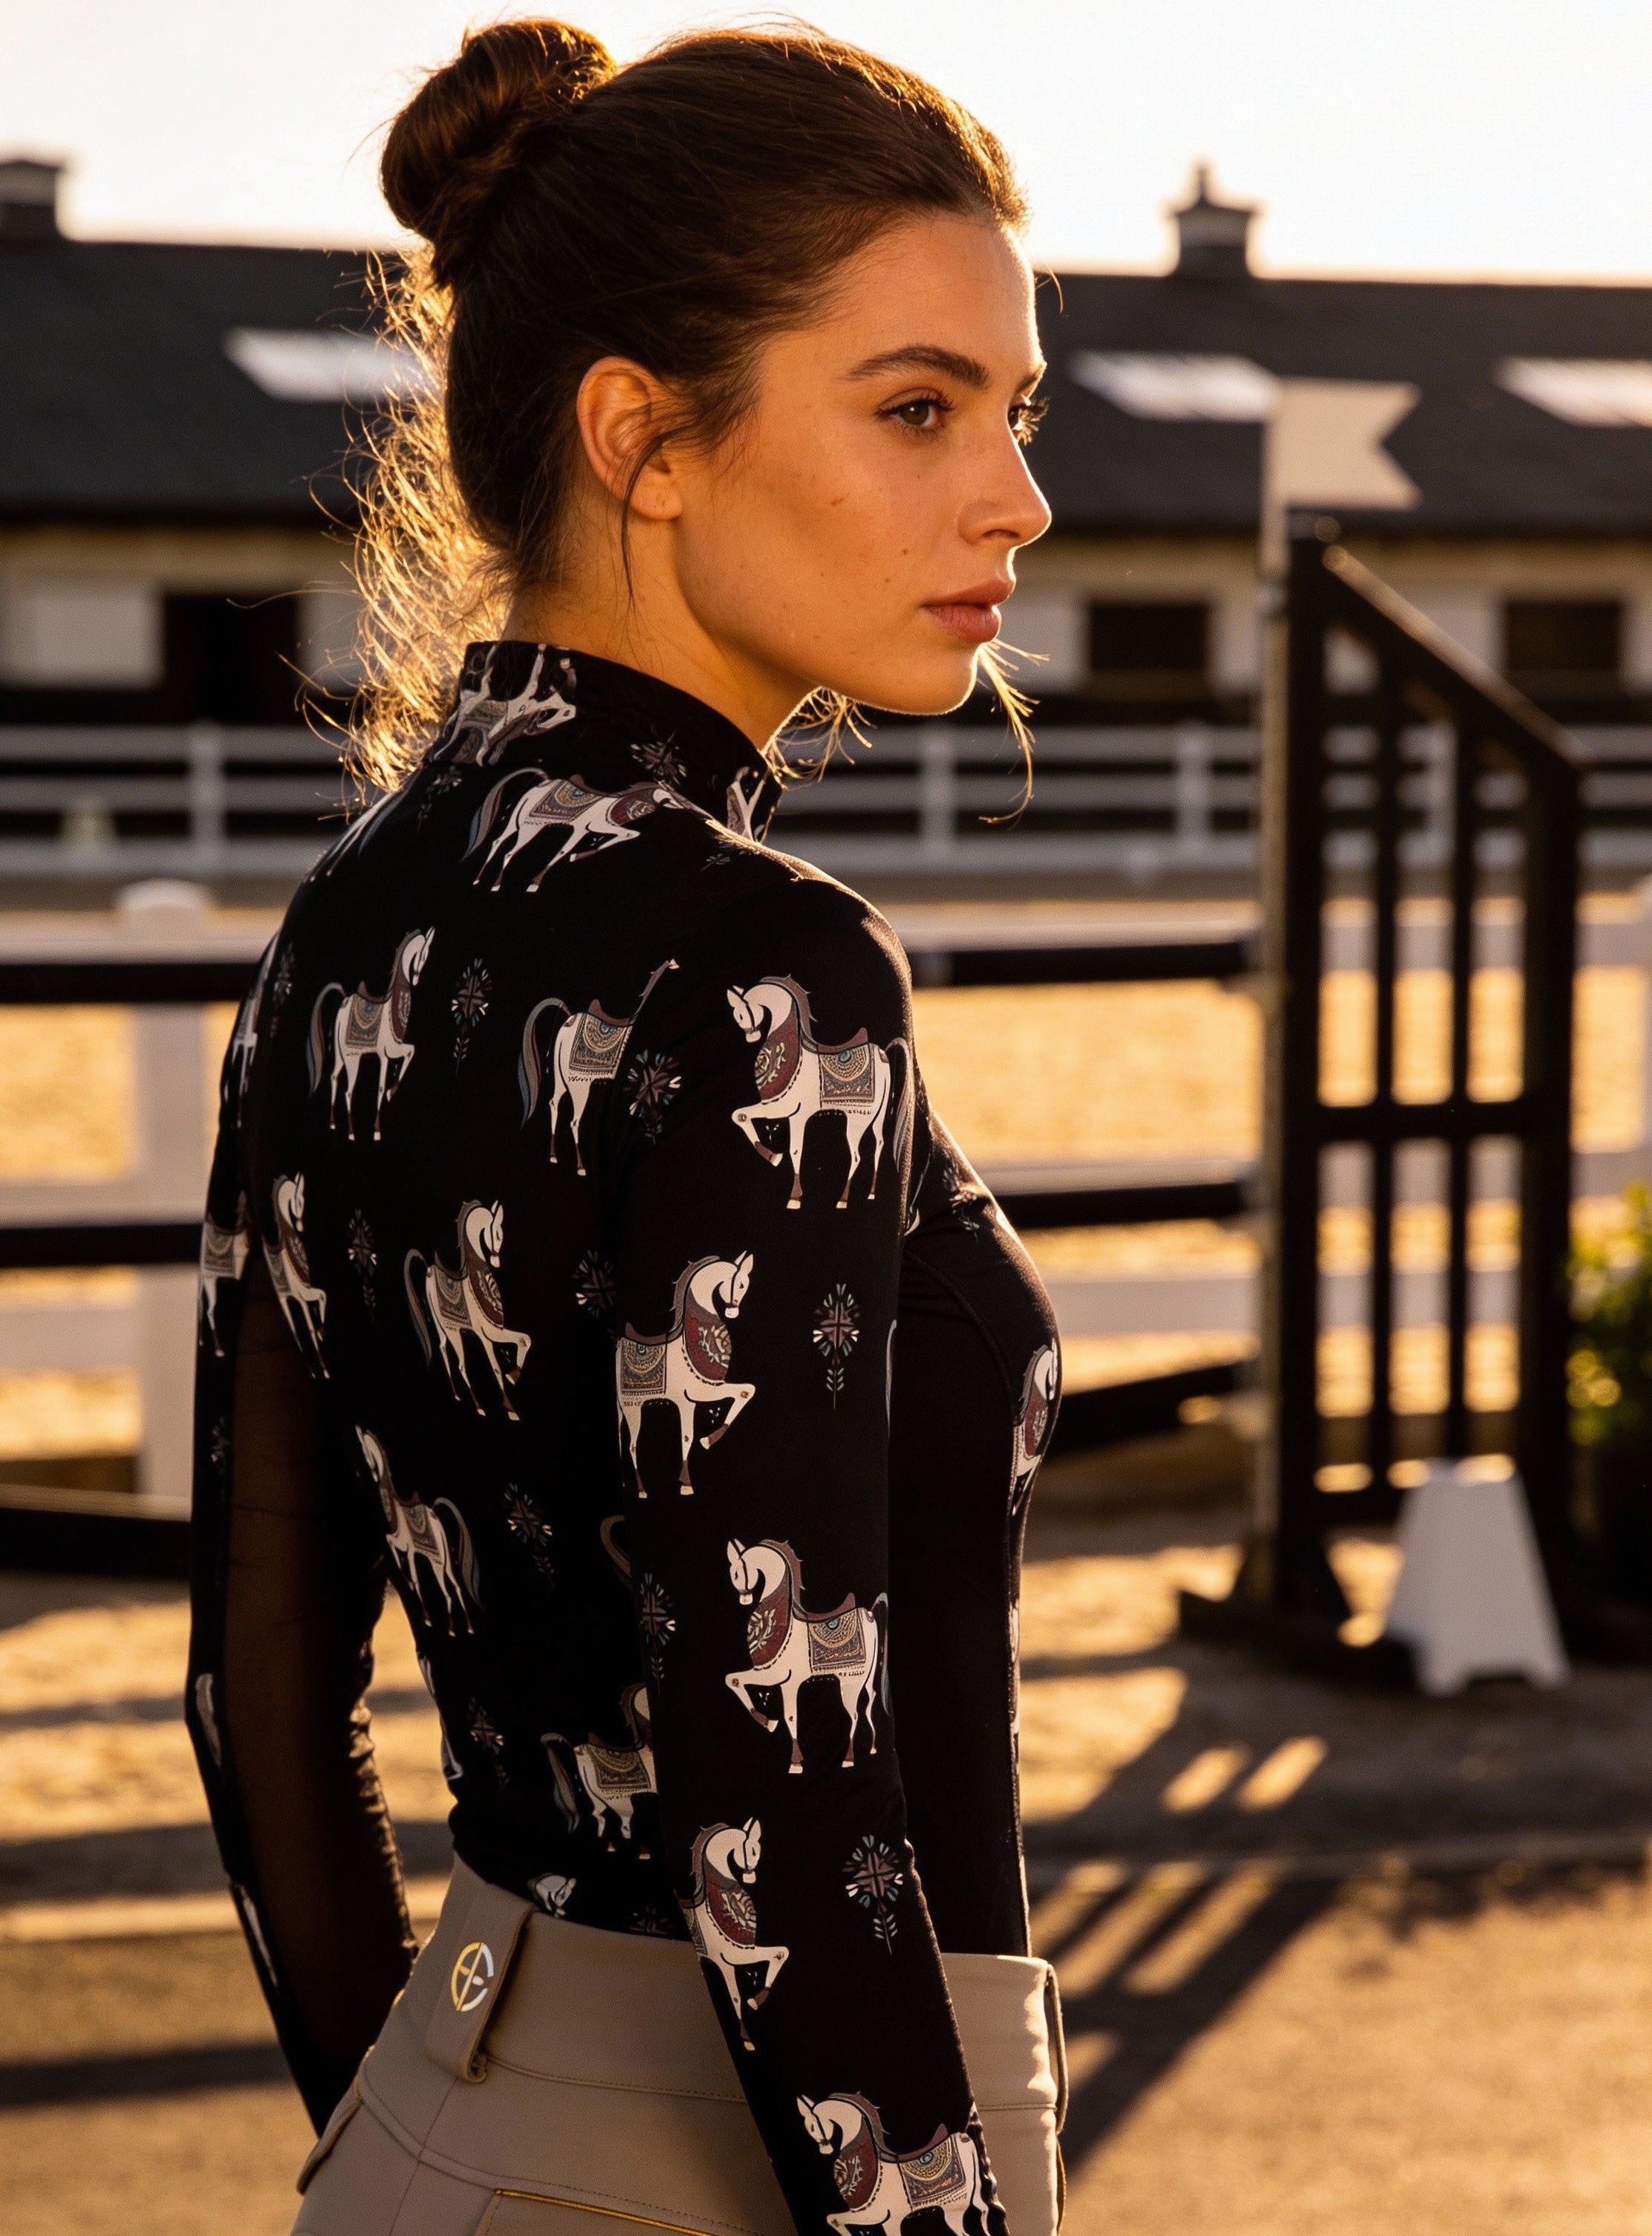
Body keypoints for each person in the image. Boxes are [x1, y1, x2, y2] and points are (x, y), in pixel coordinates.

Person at [186, 22, 1064, 2235]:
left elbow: (257, 1691)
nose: (1017, 499)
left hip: (431, 2131)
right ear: (640, 438)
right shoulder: (767, 965)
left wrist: (428, 2146)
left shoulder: (334, 925)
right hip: (803, 2152)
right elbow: (776, 1769)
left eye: (1012, 411)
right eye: (915, 407)